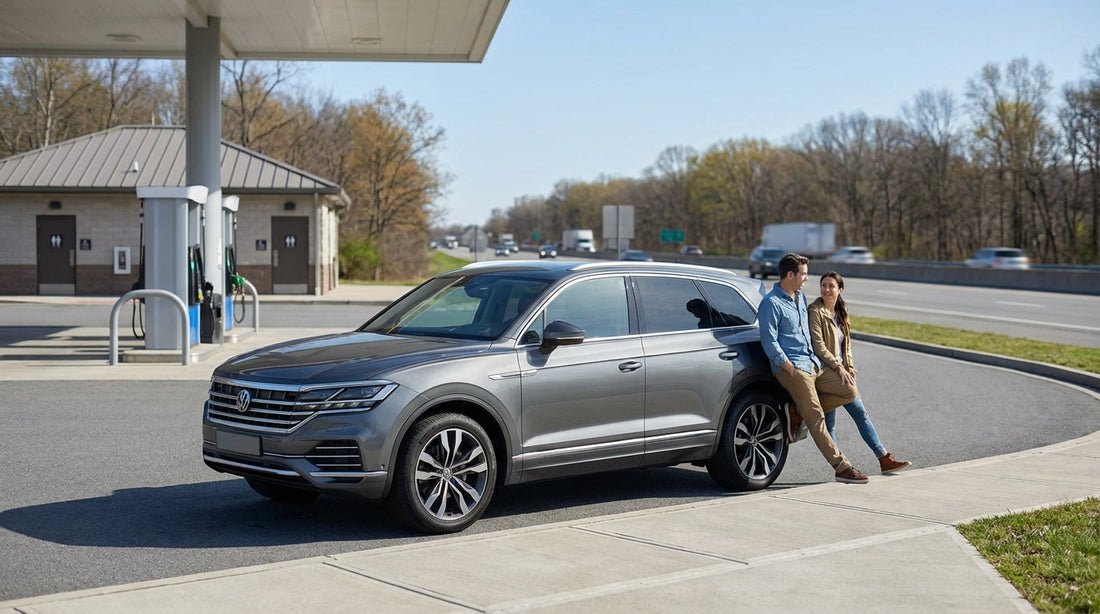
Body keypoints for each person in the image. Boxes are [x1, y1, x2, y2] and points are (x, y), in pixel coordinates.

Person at [757, 253, 870, 484]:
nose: (807, 279)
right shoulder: (771, 303)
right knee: (817, 416)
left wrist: (828, 364)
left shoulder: (799, 297)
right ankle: (841, 467)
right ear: (791, 275)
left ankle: (798, 412)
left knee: (849, 391)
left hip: (813, 364)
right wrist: (787, 366)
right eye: (804, 274)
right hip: (793, 369)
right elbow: (769, 340)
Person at [809, 271, 912, 474]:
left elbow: (846, 346)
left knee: (850, 418)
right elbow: (818, 346)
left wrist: (850, 367)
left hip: (841, 373)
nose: (826, 290)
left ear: (840, 289)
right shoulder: (815, 311)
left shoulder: (841, 311)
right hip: (824, 372)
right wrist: (838, 368)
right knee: (835, 421)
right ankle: (848, 466)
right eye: (823, 285)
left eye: (831, 286)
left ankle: (880, 459)